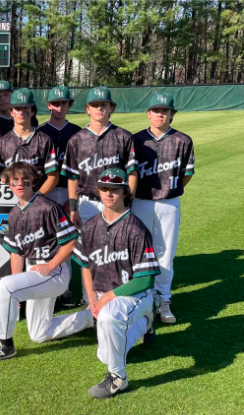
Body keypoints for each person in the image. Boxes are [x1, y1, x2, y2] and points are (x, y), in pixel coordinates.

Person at [0, 162, 81, 363]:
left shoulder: (48, 207)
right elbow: (16, 253)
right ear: (10, 186)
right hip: (34, 272)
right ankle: (90, 319)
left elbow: (71, 241)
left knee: (5, 285)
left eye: (25, 180)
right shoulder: (14, 214)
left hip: (54, 271)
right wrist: (16, 282)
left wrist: (51, 265)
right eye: (15, 181)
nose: (20, 184)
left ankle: (4, 345)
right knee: (39, 333)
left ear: (33, 182)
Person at [69, 168, 160, 398]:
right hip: (103, 294)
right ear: (99, 191)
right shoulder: (90, 227)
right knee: (106, 352)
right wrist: (91, 299)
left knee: (109, 318)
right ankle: (145, 325)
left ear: (124, 193)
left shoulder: (137, 229)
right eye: (105, 189)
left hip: (136, 294)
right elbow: (86, 265)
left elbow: (145, 279)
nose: (109, 194)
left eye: (115, 189)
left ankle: (118, 378)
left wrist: (106, 298)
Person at [61, 86, 138, 304]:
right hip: (87, 203)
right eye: (95, 105)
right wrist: (74, 207)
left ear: (111, 108)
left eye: (103, 105)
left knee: (117, 252)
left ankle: (115, 299)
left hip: (116, 202)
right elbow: (72, 177)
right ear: (87, 109)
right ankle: (89, 300)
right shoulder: (76, 140)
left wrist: (127, 201)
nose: (99, 109)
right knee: (90, 254)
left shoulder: (123, 136)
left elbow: (132, 172)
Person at [131, 93, 195, 323]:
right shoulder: (136, 140)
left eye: (165, 111)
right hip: (140, 202)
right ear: (148, 114)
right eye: (156, 110)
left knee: (165, 256)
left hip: (168, 203)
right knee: (137, 253)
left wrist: (172, 190)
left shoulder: (183, 140)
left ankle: (163, 299)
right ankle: (139, 298)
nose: (160, 114)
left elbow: (186, 174)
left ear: (172, 115)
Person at [37, 85, 82, 308]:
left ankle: (64, 290)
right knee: (45, 239)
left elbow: (82, 168)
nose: (59, 107)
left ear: (69, 105)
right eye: (55, 103)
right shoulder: (40, 131)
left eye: (63, 103)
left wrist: (73, 200)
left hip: (68, 190)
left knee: (66, 240)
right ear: (48, 105)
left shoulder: (77, 132)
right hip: (44, 190)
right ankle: (45, 287)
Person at [0, 88, 59, 193]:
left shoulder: (44, 140)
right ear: (11, 112)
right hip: (9, 200)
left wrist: (37, 198)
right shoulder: (3, 142)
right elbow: (0, 173)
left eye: (25, 108)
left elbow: (53, 177)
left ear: (32, 111)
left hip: (37, 199)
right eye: (17, 108)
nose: (21, 112)